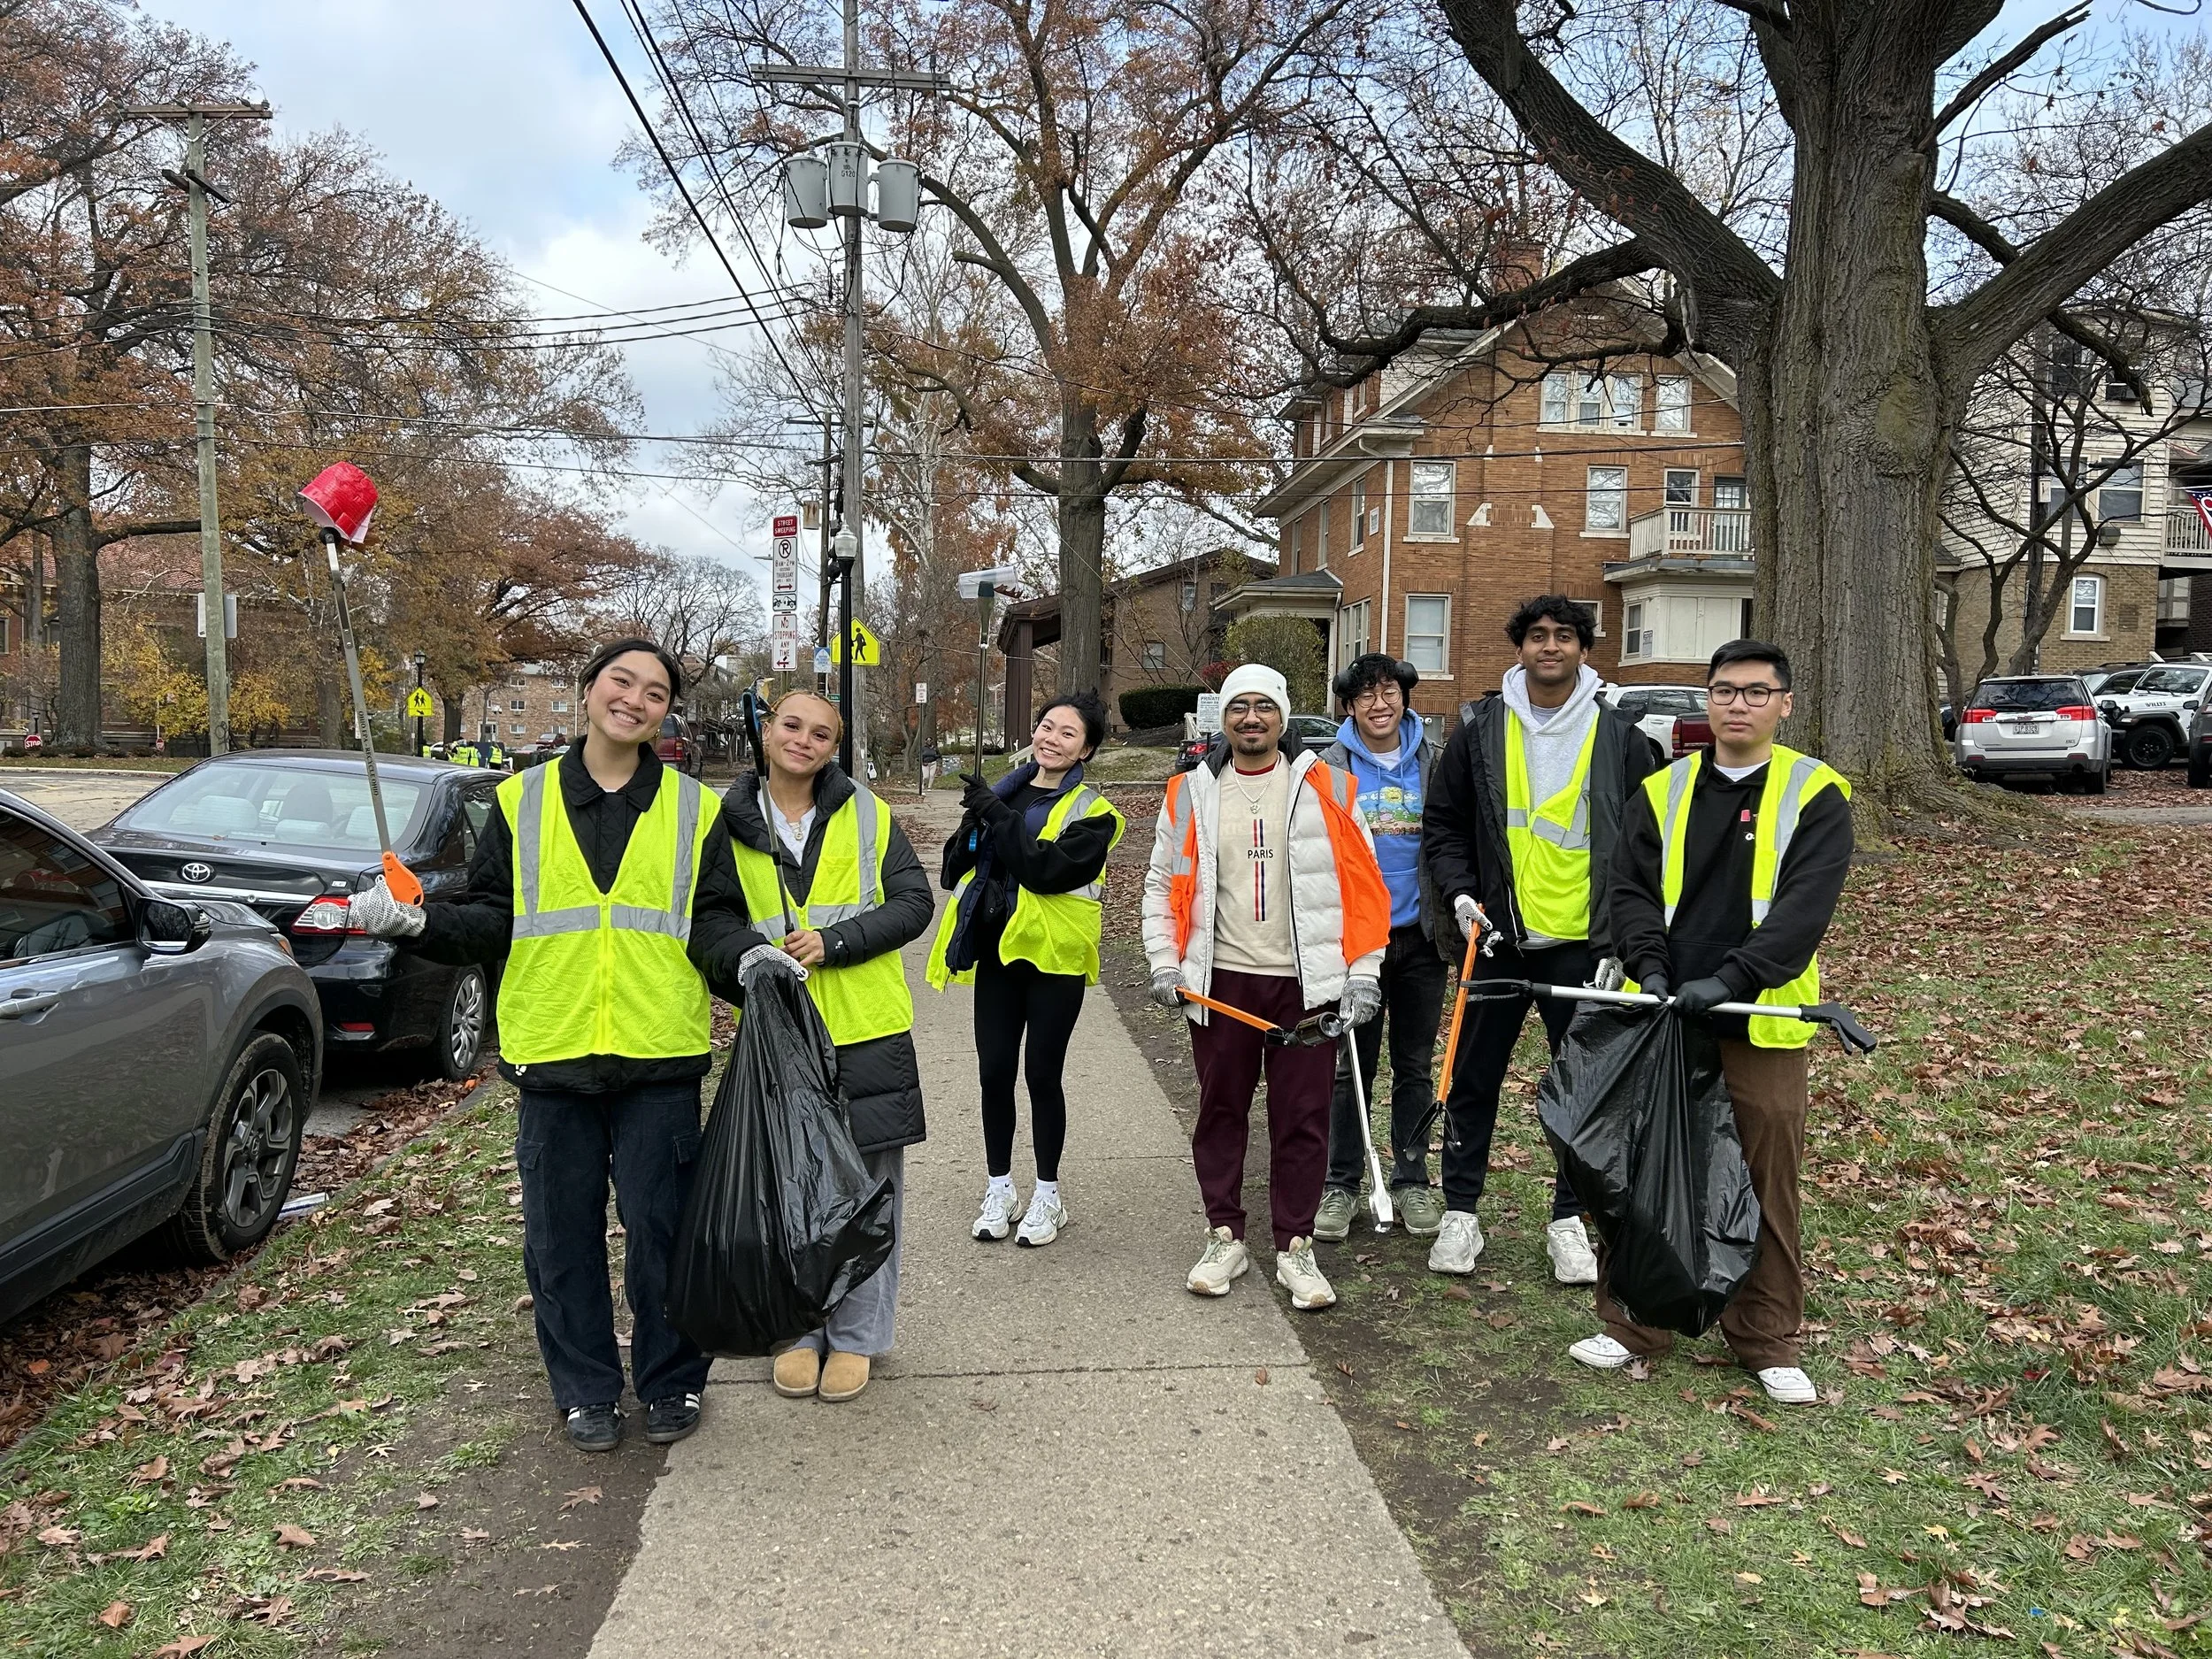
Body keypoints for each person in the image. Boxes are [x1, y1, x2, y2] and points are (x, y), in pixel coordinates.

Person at [346, 637, 748, 1454]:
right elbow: (492, 916)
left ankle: (671, 1380)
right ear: (589, 686)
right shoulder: (518, 802)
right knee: (560, 1240)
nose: (634, 699)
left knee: (662, 1234)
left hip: (656, 1055)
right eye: (620, 681)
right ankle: (586, 1390)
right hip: (553, 1054)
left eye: (655, 692)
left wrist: (751, 962)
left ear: (667, 712)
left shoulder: (696, 809)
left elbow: (710, 923)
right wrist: (419, 921)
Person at [1570, 640, 1852, 1406]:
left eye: (1756, 692)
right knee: (1648, 1173)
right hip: (1667, 1016)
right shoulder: (1664, 790)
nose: (1738, 703)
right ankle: (1634, 1321)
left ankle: (1765, 1335)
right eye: (1724, 689)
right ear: (1708, 699)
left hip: (1759, 1019)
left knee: (1767, 1182)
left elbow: (1801, 912)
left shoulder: (1816, 794)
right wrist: (1654, 969)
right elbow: (1628, 889)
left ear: (1784, 703)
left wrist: (1727, 979)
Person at [1420, 595, 1658, 1285]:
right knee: (1472, 1080)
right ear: (1518, 647)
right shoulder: (1480, 729)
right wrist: (1463, 894)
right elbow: (1445, 824)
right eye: (1536, 636)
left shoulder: (1621, 739)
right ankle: (1460, 1212)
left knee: (1583, 1090)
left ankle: (1569, 1221)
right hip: (1497, 938)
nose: (1549, 646)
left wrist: (1626, 940)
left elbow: (1647, 848)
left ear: (1586, 649)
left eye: (1564, 636)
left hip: (1587, 944)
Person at [1140, 663, 1391, 1311]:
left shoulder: (1330, 787)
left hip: (1306, 989)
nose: (1251, 718)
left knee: (1302, 1120)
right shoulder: (1187, 794)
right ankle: (1224, 1233)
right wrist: (1166, 962)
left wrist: (1361, 975)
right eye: (1238, 707)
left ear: (1283, 715)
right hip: (1221, 986)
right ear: (1221, 718)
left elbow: (1364, 890)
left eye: (1264, 706)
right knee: (1220, 1113)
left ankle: (1295, 1245)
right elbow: (1160, 886)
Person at [723, 690, 933, 1405]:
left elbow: (912, 902)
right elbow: (709, 918)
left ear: (833, 745)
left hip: (867, 1030)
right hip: (779, 1037)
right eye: (791, 725)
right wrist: (748, 957)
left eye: (821, 733)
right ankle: (797, 1329)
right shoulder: (725, 822)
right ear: (767, 729)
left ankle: (858, 1335)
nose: (803, 741)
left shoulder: (867, 814)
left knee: (871, 1188)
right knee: (785, 1188)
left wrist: (837, 942)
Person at [927, 693, 1125, 1246]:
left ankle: (1047, 1194)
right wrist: (975, 823)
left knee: (1041, 1074)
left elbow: (1044, 870)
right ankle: (999, 1187)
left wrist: (994, 813)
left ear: (1086, 748)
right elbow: (952, 868)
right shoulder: (1004, 793)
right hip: (996, 953)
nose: (1051, 738)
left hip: (1054, 961)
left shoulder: (1095, 813)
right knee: (993, 1070)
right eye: (1045, 726)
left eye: (1068, 733)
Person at [1312, 655, 1448, 1243]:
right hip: (1355, 942)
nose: (1379, 703)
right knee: (1351, 1068)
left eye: (1388, 691)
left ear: (1404, 698)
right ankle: (1342, 1183)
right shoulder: (1325, 770)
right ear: (1348, 707)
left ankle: (1412, 1177)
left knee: (1414, 1064)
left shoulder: (1435, 762)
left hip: (1422, 938)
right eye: (1365, 695)